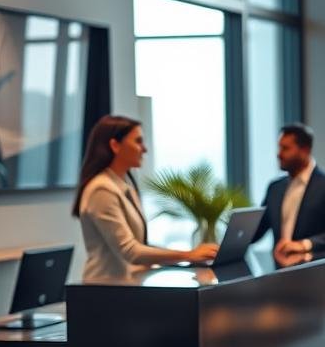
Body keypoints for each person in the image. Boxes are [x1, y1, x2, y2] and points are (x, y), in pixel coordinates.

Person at [73, 115, 218, 283]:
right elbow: (130, 251)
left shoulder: (124, 183)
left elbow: (140, 245)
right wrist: (188, 255)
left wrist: (188, 256)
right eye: (138, 141)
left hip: (129, 285)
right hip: (105, 289)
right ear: (115, 145)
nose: (144, 149)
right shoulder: (101, 189)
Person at [250, 123, 325, 267]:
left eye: (286, 148)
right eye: (279, 147)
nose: (279, 153)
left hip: (319, 271)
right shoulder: (274, 188)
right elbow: (258, 229)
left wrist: (303, 245)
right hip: (280, 271)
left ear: (305, 150)